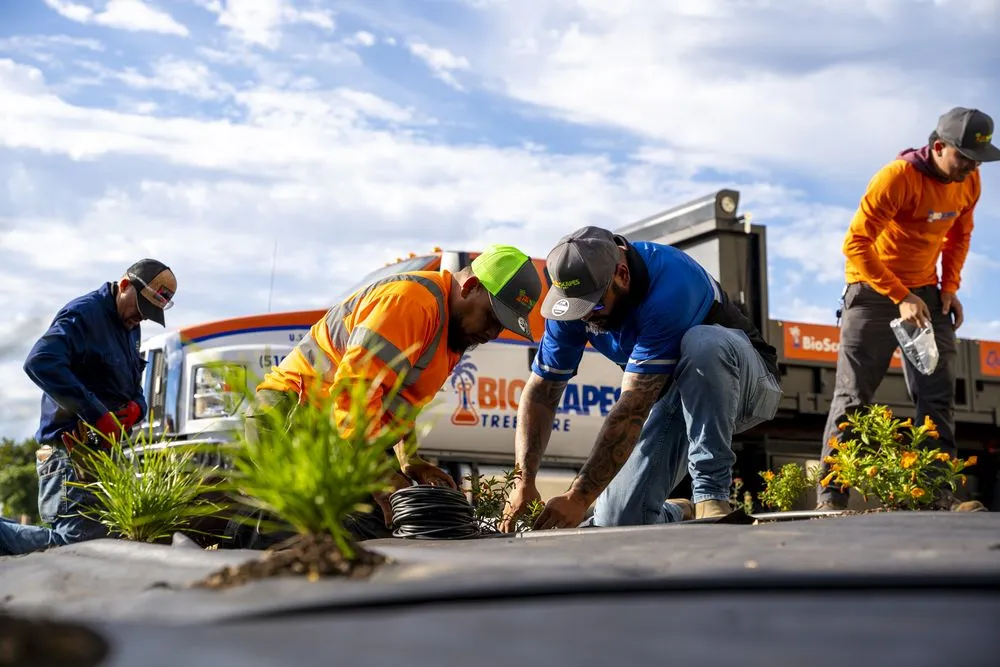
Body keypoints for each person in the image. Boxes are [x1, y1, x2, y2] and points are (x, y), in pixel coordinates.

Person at [236, 244, 542, 544]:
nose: (492, 334)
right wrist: (382, 476)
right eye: (491, 317)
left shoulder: (452, 332)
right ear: (471, 286)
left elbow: (395, 401)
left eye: (502, 327)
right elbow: (353, 392)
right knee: (291, 534)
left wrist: (410, 460)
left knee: (384, 527)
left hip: (338, 428)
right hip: (293, 418)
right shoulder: (411, 302)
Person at [499, 226, 782, 532]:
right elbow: (541, 392)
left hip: (747, 383)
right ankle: (680, 510)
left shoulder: (671, 282)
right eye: (575, 310)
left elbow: (632, 406)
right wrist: (523, 481)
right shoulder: (573, 305)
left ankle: (710, 497)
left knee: (703, 344)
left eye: (593, 305)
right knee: (617, 519)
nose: (583, 317)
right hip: (673, 397)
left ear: (622, 274)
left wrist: (579, 497)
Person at [815, 107, 1000, 513]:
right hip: (871, 291)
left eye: (978, 159)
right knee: (853, 395)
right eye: (964, 157)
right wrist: (900, 296)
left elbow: (958, 238)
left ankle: (937, 496)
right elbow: (856, 244)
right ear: (937, 147)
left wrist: (948, 288)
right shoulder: (896, 178)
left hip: (925, 292)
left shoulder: (969, 183)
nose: (972, 167)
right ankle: (831, 498)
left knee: (936, 395)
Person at [0, 259, 178, 556]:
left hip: (104, 456)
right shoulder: (84, 314)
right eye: (141, 308)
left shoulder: (129, 325)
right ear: (124, 286)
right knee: (78, 549)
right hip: (71, 453)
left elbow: (132, 385)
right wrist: (96, 414)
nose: (142, 318)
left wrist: (138, 407)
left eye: (151, 313)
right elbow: (40, 362)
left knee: (97, 546)